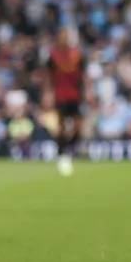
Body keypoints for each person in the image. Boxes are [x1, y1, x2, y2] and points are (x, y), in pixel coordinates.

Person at [46, 28, 84, 177]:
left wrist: (87, 90)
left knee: (78, 127)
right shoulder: (53, 55)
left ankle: (68, 149)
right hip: (60, 94)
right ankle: (62, 155)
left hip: (75, 94)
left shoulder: (77, 54)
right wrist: (48, 93)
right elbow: (48, 76)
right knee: (61, 126)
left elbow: (82, 74)